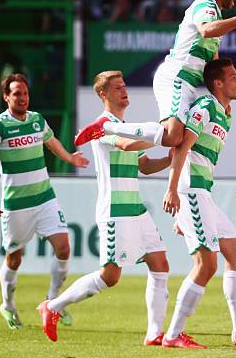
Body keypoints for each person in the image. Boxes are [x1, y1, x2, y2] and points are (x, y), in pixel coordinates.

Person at [38, 71, 172, 344]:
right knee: (110, 276)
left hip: (135, 208)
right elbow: (126, 144)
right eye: (117, 88)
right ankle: (52, 306)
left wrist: (170, 157)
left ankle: (154, 334)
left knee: (160, 263)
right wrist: (166, 135)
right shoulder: (103, 126)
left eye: (124, 86)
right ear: (103, 94)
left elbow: (144, 165)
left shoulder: (124, 124)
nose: (124, 91)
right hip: (115, 210)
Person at [74, 0, 236, 149]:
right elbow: (206, 29)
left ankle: (119, 139)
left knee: (175, 138)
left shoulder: (216, 15)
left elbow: (214, 65)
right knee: (173, 136)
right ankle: (107, 127)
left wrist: (221, 97)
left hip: (187, 81)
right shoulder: (205, 6)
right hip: (177, 77)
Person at [161, 58, 236, 348]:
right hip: (190, 191)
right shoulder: (205, 108)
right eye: (233, 76)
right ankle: (173, 335)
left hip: (203, 194)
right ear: (217, 83)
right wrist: (172, 191)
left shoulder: (226, 112)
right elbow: (181, 148)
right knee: (206, 264)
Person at [0, 73, 89, 330]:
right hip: (16, 205)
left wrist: (71, 158)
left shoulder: (37, 120)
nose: (22, 98)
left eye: (25, 93)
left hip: (44, 198)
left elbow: (52, 143)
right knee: (14, 259)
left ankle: (52, 303)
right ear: (6, 97)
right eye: (16, 93)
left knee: (63, 248)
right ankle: (7, 304)